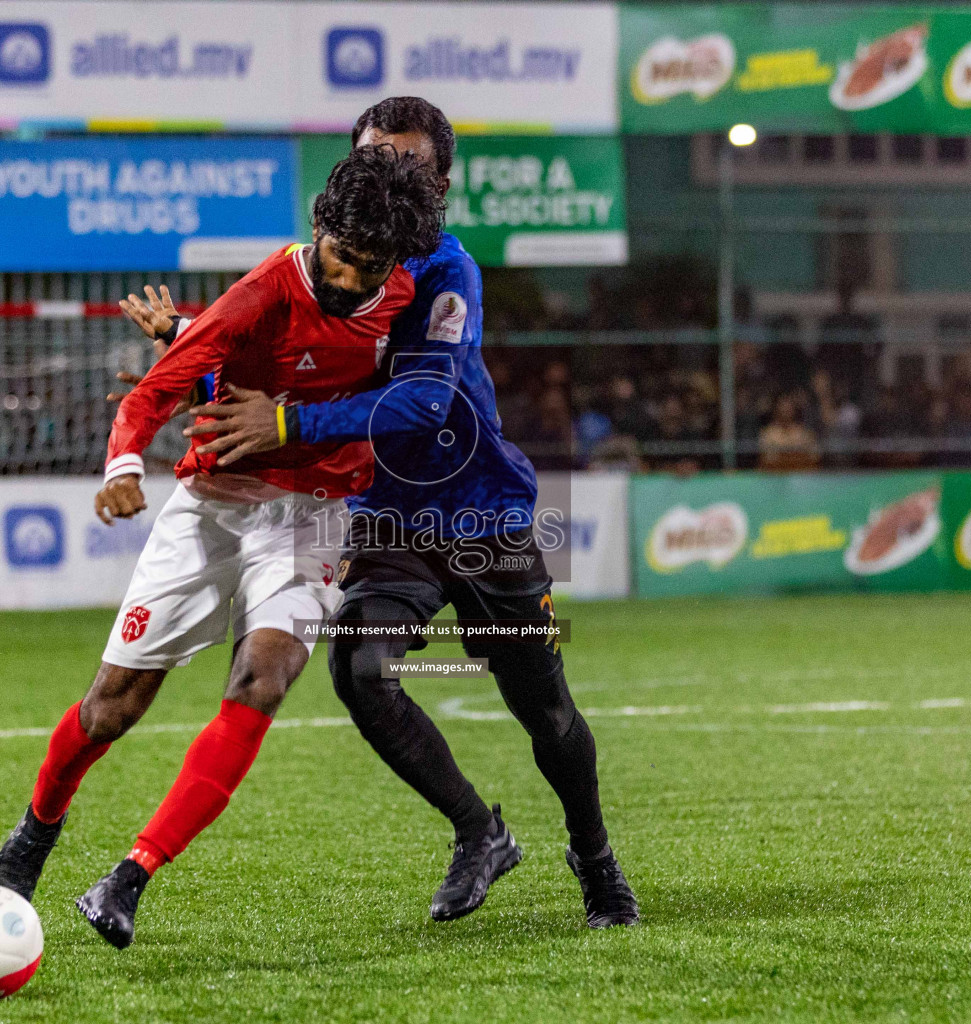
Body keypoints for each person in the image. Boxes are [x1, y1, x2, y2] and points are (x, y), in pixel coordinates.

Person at [120, 98, 638, 928]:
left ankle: (597, 860)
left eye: (406, 163)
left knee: (542, 706)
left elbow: (423, 400)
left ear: (441, 181)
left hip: (481, 517)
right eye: (374, 157)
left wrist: (284, 422)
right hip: (385, 518)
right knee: (359, 669)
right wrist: (192, 339)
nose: (388, 174)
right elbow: (303, 363)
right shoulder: (341, 258)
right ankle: (479, 832)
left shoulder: (445, 273)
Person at [0, 145, 445, 950]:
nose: (349, 281)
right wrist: (123, 463)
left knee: (263, 677)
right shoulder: (260, 295)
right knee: (110, 708)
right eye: (340, 259)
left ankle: (129, 878)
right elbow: (154, 391)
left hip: (316, 515)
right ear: (317, 230)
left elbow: (400, 392)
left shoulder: (408, 297)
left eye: (369, 269)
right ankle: (33, 835)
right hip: (215, 506)